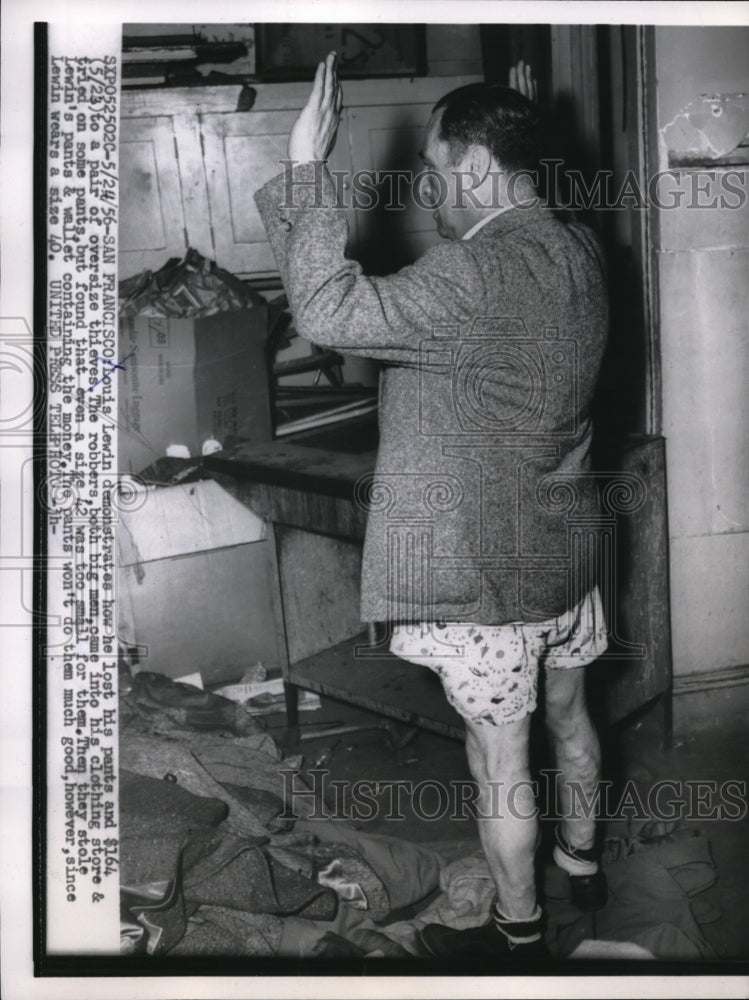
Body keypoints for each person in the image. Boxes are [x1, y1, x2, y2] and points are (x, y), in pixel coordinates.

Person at [255, 53, 609, 960]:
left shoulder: (469, 272)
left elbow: (328, 314)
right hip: (564, 548)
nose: (430, 189)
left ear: (479, 168)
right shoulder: (576, 244)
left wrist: (307, 166)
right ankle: (583, 863)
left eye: (436, 169)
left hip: (488, 572)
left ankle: (518, 927)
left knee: (500, 759)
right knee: (570, 716)